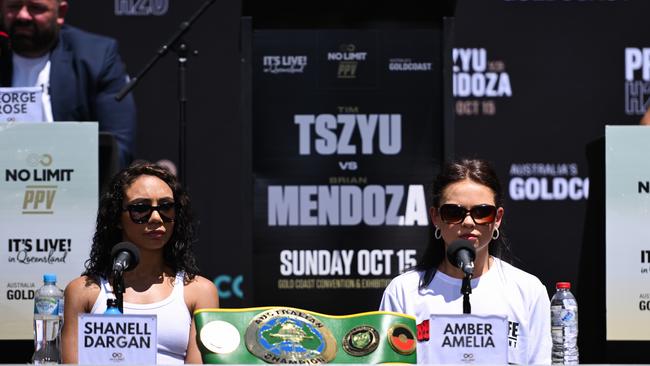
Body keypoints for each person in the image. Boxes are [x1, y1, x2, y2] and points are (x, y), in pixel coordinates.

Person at [379, 158, 551, 365]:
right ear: (435, 217)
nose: (468, 222)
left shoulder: (528, 290)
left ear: (497, 218)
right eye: (454, 212)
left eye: (482, 212)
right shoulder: (403, 292)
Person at [61, 161, 219, 364]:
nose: (156, 218)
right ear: (117, 218)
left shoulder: (199, 291)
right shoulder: (83, 290)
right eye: (140, 208)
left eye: (166, 207)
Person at [0, 0, 136, 167]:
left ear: (61, 12)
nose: (23, 16)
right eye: (13, 6)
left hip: (72, 182)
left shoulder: (96, 57)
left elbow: (117, 148)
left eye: (36, 8)